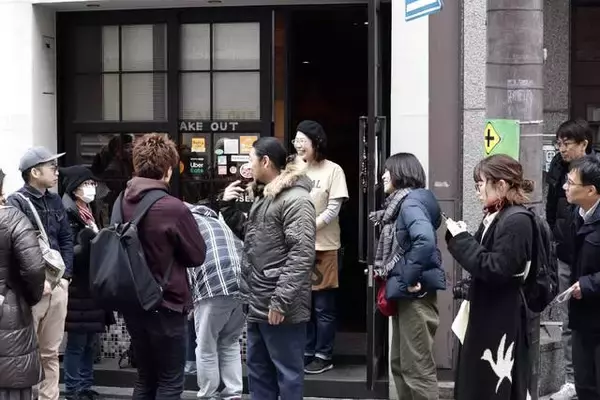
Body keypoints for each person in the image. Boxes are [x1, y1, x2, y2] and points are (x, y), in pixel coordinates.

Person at [220, 138, 316, 400]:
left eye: (250, 159)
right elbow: (252, 236)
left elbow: (301, 254)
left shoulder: (296, 199)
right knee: (259, 374)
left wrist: (280, 301)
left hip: (279, 307)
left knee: (287, 375)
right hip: (258, 302)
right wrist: (227, 207)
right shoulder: (267, 196)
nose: (248, 166)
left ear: (265, 161)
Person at [118, 134, 207, 400]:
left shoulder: (121, 201)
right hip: (166, 303)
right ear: (168, 169)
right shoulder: (172, 207)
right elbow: (197, 255)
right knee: (170, 381)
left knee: (145, 377)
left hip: (133, 302)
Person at [445, 154, 533, 400]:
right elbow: (483, 258)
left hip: (500, 315)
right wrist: (461, 236)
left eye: (480, 184)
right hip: (488, 311)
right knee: (478, 381)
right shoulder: (497, 216)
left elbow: (497, 268)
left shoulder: (517, 220)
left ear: (501, 185)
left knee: (491, 386)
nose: (477, 192)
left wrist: (462, 240)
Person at [370, 153, 445, 400]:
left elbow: (424, 240)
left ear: (402, 173)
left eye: (388, 171)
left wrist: (408, 279)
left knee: (416, 369)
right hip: (408, 296)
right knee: (401, 364)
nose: (383, 176)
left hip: (415, 296)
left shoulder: (410, 204)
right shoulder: (405, 203)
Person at [8, 147, 74, 400]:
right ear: (35, 172)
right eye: (51, 167)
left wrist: (65, 278)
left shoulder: (55, 200)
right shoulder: (16, 202)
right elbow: (15, 249)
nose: (57, 172)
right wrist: (34, 283)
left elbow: (66, 238)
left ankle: (50, 397)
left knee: (51, 351)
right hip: (31, 290)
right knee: (28, 351)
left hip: (57, 286)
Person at [293, 120, 349, 374]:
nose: (298, 145)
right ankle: (306, 351)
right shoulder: (294, 168)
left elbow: (333, 209)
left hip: (325, 247)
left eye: (302, 141)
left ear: (316, 142)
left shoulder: (333, 170)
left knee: (323, 306)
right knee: (302, 304)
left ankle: (323, 355)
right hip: (297, 246)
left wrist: (308, 226)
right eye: (296, 140)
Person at [546, 120, 595, 400]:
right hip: (566, 253)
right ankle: (571, 380)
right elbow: (552, 207)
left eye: (567, 143)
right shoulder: (557, 167)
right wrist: (556, 235)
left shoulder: (594, 171)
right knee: (568, 319)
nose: (562, 149)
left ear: (584, 144)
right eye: (559, 143)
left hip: (591, 258)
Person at [60, 165, 114, 400]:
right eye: (86, 184)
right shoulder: (67, 213)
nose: (91, 188)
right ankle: (73, 389)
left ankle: (85, 385)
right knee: (77, 342)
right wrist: (85, 244)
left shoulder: (89, 211)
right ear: (74, 188)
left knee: (90, 341)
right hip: (78, 287)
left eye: (92, 183)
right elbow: (68, 251)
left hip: (92, 285)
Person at [186, 202, 244, 400]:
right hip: (242, 285)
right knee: (230, 341)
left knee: (206, 346)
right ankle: (233, 394)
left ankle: (208, 395)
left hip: (213, 286)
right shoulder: (217, 221)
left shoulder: (186, 223)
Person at [0, 169, 46, 400]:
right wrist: (28, 298)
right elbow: (34, 268)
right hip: (9, 313)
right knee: (12, 383)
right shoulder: (12, 218)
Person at [562, 156, 600, 400]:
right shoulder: (577, 214)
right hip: (582, 316)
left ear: (591, 190)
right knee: (584, 385)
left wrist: (587, 284)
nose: (565, 186)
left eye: (570, 182)